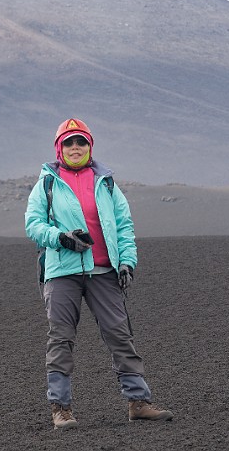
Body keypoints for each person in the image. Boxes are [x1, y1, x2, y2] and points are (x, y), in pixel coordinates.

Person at [24, 117, 173, 429]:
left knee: (120, 334)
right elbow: (33, 224)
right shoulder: (47, 183)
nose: (75, 147)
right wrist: (61, 238)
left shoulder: (106, 183)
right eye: (69, 142)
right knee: (61, 338)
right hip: (62, 271)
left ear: (89, 146)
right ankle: (60, 409)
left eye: (81, 142)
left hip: (103, 270)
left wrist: (127, 263)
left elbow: (123, 226)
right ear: (59, 148)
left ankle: (138, 402)